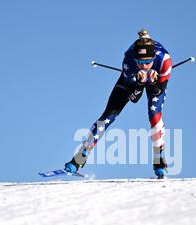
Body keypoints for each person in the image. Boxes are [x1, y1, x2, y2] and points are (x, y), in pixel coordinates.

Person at [64, 29, 172, 179]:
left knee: (154, 114)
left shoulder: (164, 61)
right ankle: (79, 158)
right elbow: (134, 98)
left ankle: (159, 160)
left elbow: (156, 92)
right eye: (140, 62)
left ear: (153, 57)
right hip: (132, 79)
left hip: (158, 77)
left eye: (147, 62)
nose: (144, 66)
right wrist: (140, 84)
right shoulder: (129, 60)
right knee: (108, 115)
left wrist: (152, 82)